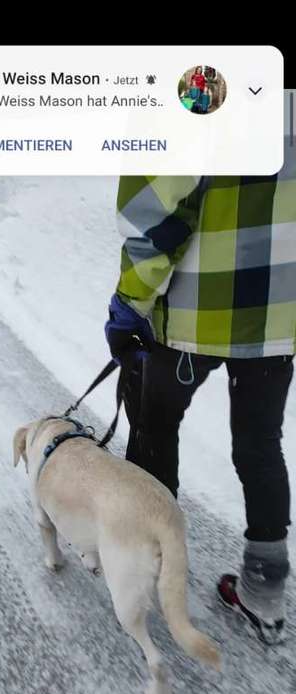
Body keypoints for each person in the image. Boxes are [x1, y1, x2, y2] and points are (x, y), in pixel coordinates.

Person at [105, 148, 295, 645]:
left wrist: (130, 302)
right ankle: (264, 594)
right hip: (280, 315)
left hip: (193, 313)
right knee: (260, 445)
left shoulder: (193, 83)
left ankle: (149, 566)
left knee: (154, 427)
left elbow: (155, 208)